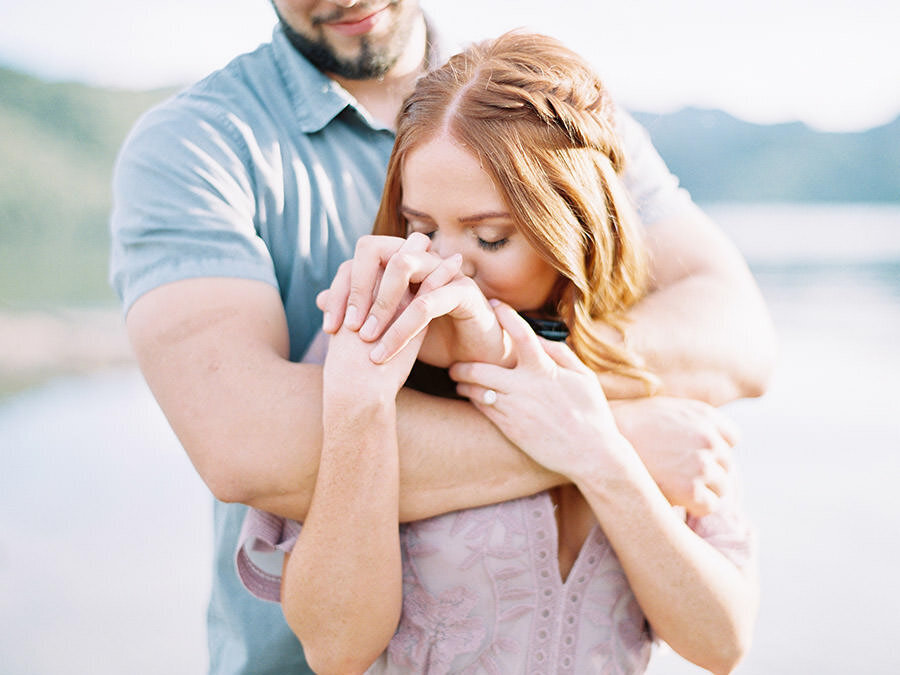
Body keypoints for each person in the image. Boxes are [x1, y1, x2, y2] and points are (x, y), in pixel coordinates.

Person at [108, 2, 775, 673]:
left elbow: (722, 640)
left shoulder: (555, 108)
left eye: (490, 236)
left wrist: (576, 423)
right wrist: (600, 437)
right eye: (419, 228)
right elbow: (254, 461)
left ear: (573, 225)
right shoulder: (206, 151)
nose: (443, 266)